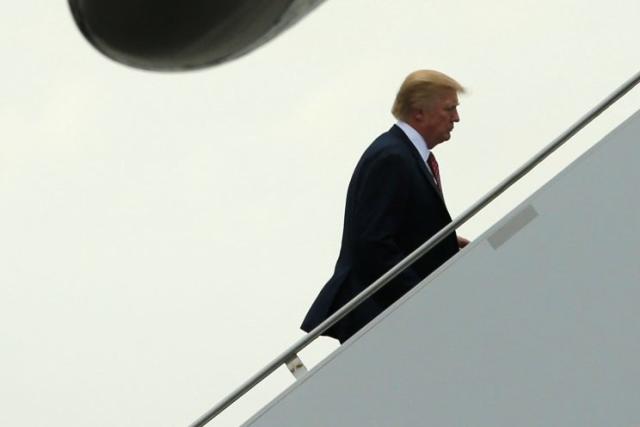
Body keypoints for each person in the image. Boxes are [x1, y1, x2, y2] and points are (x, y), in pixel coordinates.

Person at [301, 69, 469, 344]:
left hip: (390, 312)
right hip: (380, 314)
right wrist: (418, 296)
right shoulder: (393, 157)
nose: (456, 118)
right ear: (419, 113)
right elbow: (373, 243)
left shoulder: (406, 155)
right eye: (449, 109)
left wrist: (443, 244)